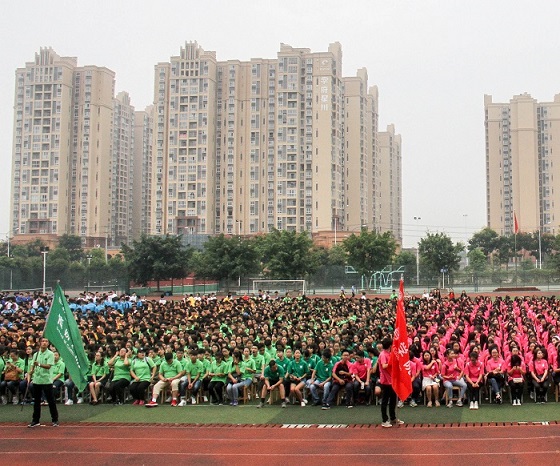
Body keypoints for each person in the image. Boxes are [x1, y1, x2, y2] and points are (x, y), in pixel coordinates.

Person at [28, 338, 58, 428]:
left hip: (46, 380)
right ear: (40, 343)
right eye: (43, 341)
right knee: (37, 401)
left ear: (48, 343)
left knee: (51, 400)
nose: (44, 343)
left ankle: (55, 419)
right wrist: (31, 371)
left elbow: (48, 366)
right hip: (37, 379)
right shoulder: (36, 354)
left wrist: (39, 364)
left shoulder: (50, 354)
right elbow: (32, 366)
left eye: (46, 341)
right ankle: (35, 420)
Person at [379, 337, 404, 427]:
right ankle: (384, 420)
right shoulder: (383, 354)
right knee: (385, 401)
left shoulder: (390, 353)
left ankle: (393, 418)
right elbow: (384, 366)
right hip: (386, 381)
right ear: (390, 345)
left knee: (393, 400)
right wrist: (391, 363)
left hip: (392, 380)